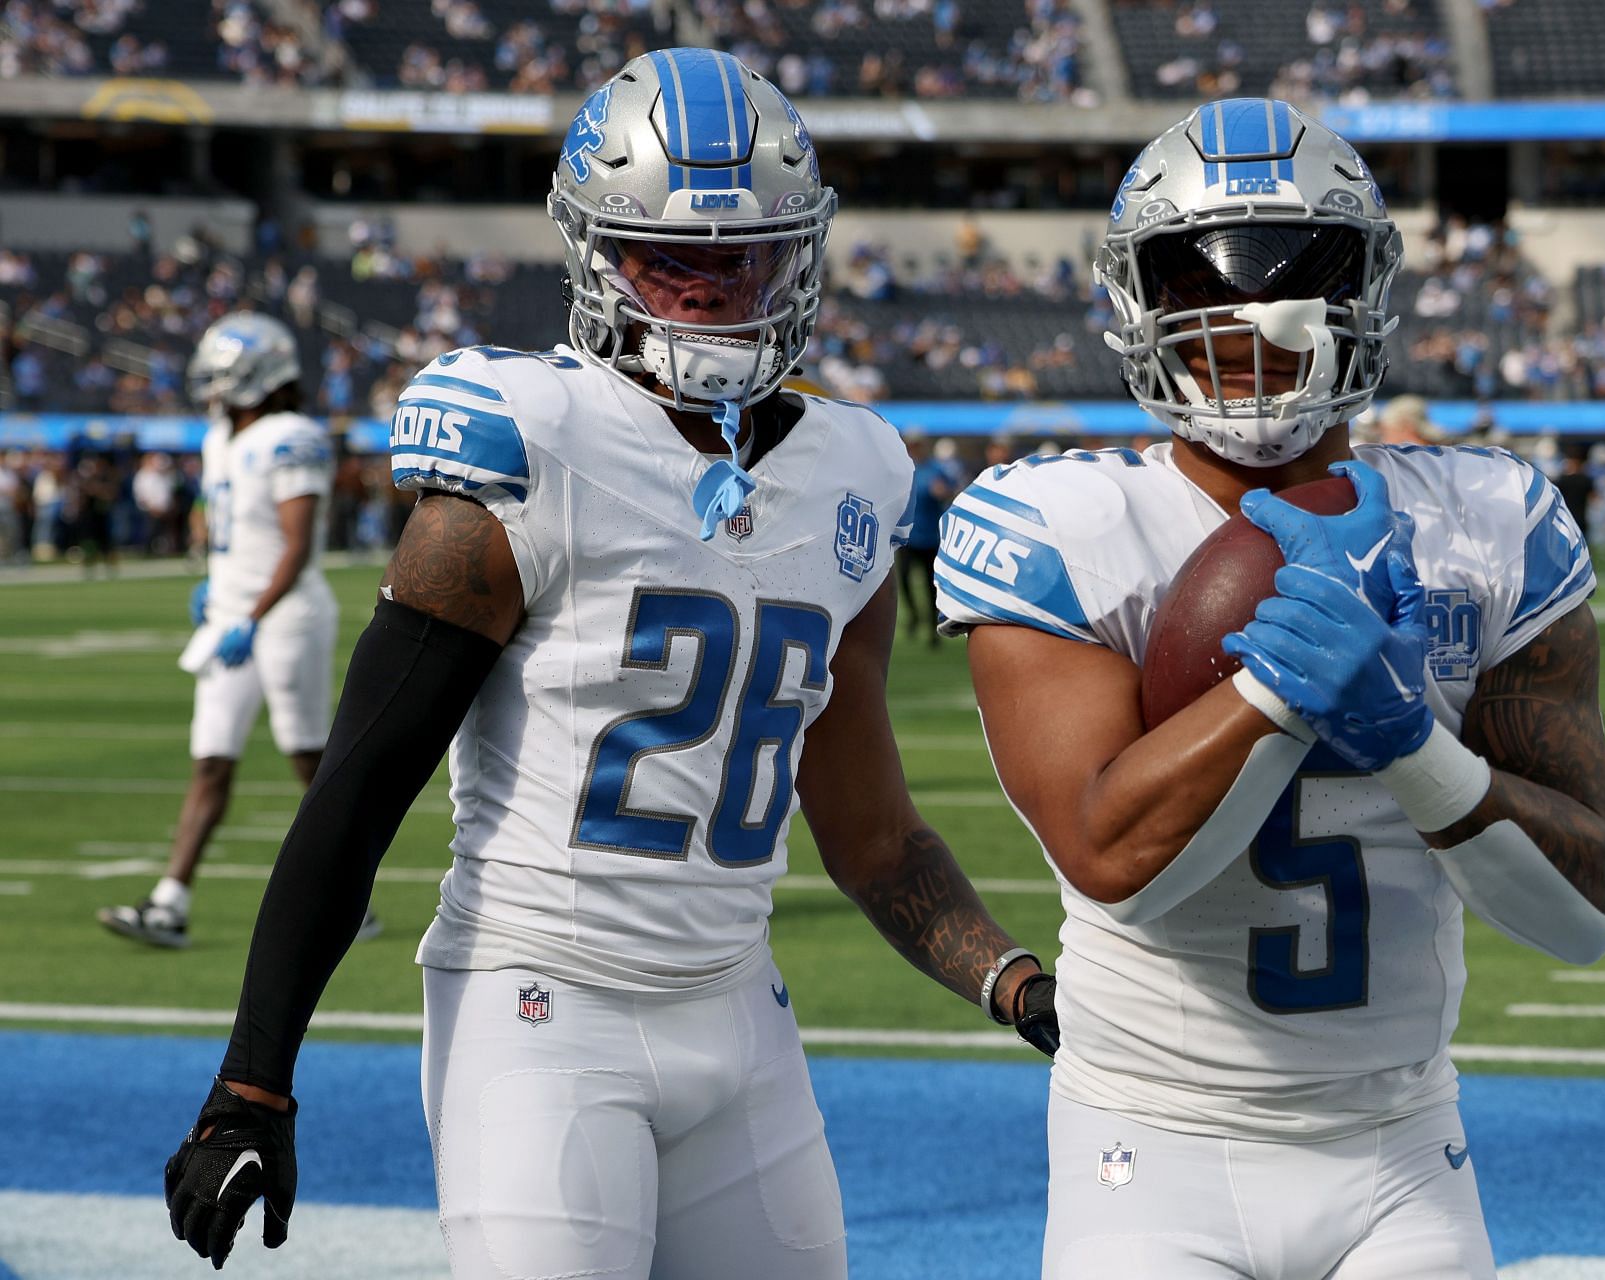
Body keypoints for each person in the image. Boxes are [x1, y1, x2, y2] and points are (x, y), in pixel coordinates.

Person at [161, 52, 1059, 1279]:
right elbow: (358, 789)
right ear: (597, 251)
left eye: (746, 254)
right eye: (669, 257)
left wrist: (1015, 980)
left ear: (800, 252)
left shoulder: (859, 470)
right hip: (538, 1006)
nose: (712, 289)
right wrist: (250, 1083)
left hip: (740, 1008)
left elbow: (875, 835)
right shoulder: (531, 442)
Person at [937, 98, 1605, 1279]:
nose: (1249, 320)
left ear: (1366, 288)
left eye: (1297, 274)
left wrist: (1412, 743)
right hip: (1151, 1142)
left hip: (1400, 1139)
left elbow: (1585, 911)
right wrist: (1278, 689)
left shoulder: (1489, 520)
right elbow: (1118, 864)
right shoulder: (1062, 522)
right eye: (1197, 280)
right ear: (1139, 303)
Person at [98, 314, 366, 949]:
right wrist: (216, 586)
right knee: (211, 760)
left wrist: (250, 611)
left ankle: (352, 891)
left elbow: (296, 547)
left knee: (307, 760)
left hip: (284, 616)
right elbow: (222, 521)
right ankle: (170, 902)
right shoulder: (221, 437)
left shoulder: (290, 435)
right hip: (233, 619)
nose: (217, 389)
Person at [896, 430, 956, 645]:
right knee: (903, 580)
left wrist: (943, 492)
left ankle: (932, 628)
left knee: (931, 586)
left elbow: (952, 491)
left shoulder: (936, 469)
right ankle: (914, 616)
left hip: (931, 537)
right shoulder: (905, 469)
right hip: (908, 538)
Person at [1553, 444, 1597, 543]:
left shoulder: (1561, 480)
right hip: (1581, 519)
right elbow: (1594, 498)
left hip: (1565, 519)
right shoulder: (1586, 480)